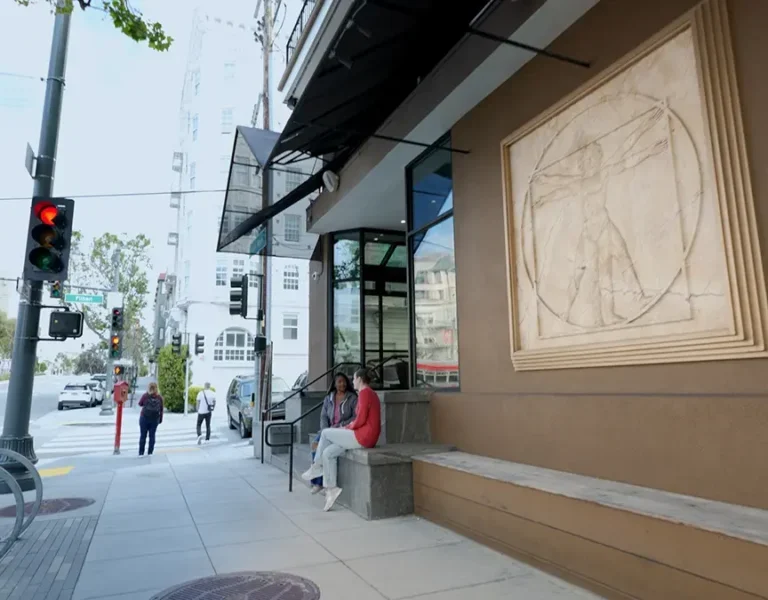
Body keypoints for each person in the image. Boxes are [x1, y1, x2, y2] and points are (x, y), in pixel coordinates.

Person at [302, 368, 381, 511]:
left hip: (363, 436)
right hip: (364, 435)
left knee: (325, 433)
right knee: (328, 453)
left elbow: (361, 419)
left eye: (354, 379)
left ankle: (316, 467)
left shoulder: (364, 393)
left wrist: (348, 427)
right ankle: (331, 489)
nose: (352, 382)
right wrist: (349, 427)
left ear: (360, 379)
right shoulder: (370, 393)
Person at [310, 373, 358, 494]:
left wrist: (337, 427)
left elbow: (355, 417)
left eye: (344, 381)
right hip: (328, 430)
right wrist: (324, 430)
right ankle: (318, 482)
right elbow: (323, 416)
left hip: (342, 430)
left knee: (325, 450)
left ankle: (322, 482)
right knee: (315, 446)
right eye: (339, 382)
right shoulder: (329, 398)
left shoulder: (352, 398)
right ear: (335, 384)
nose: (342, 384)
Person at [138, 382, 164, 456]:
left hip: (144, 418)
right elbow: (161, 410)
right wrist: (160, 420)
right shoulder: (159, 397)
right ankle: (150, 452)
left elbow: (140, 404)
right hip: (154, 419)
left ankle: (141, 452)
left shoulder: (145, 396)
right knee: (152, 436)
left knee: (143, 435)